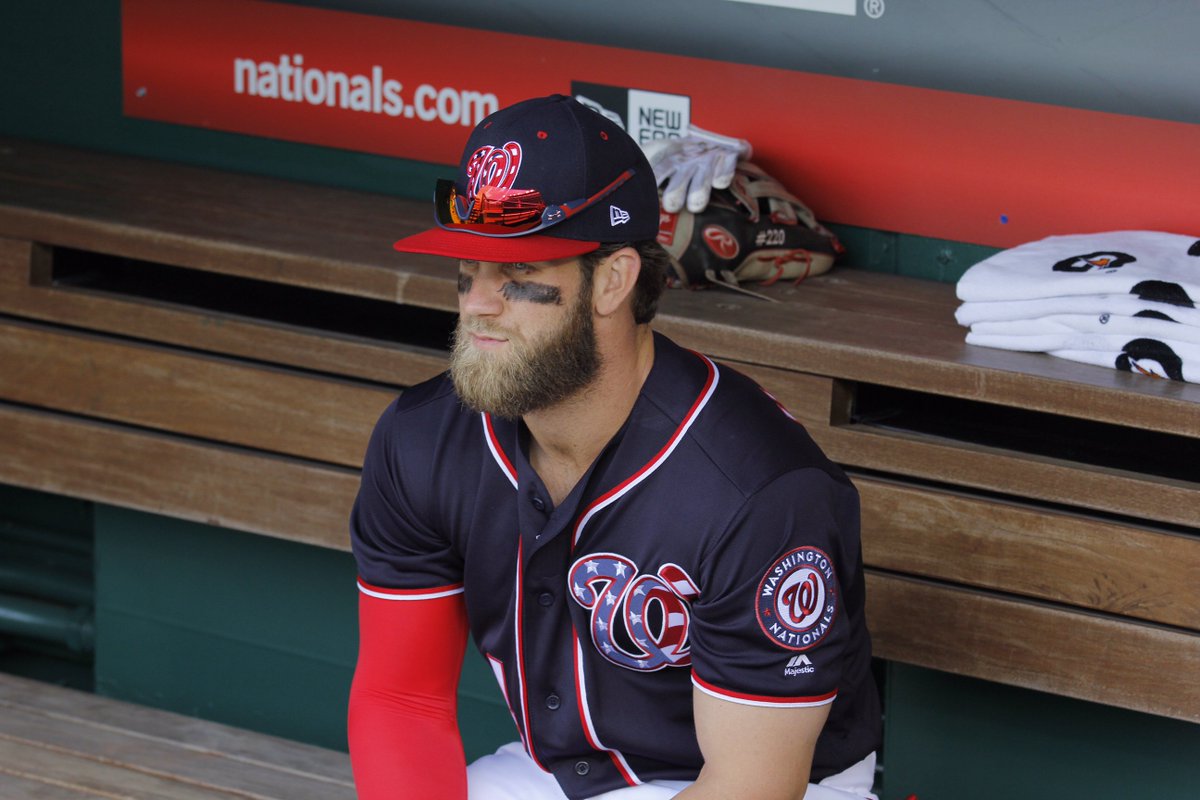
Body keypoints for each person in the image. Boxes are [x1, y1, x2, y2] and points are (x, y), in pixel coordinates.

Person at [348, 94, 881, 800]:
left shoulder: (756, 487)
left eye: (518, 277)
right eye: (469, 269)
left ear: (613, 281)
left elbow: (752, 786)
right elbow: (402, 700)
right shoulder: (424, 439)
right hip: (565, 771)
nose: (477, 303)